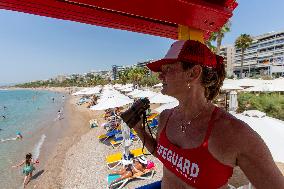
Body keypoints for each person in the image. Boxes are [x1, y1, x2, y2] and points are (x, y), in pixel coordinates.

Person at [132, 40, 284, 189]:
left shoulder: (233, 133)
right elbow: (162, 154)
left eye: (168, 69)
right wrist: (139, 129)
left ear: (193, 73)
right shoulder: (165, 117)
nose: (160, 76)